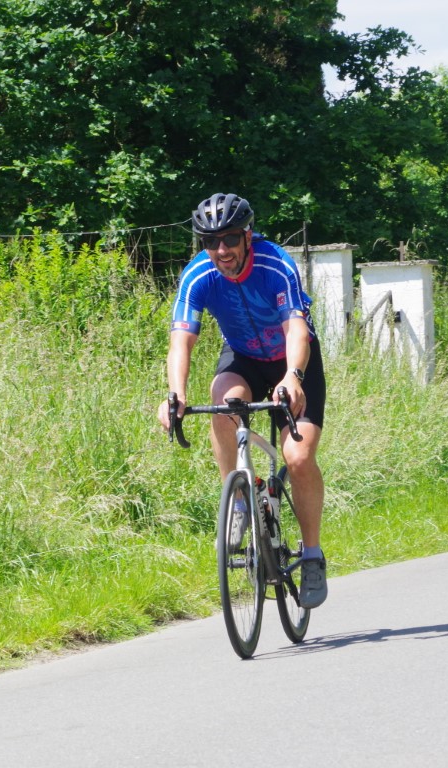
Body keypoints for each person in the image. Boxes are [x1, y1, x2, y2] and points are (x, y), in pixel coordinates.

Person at [157, 192, 328, 609]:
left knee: (298, 457)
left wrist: (293, 376)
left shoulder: (275, 264)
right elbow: (181, 340)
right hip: (243, 357)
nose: (221, 250)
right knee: (223, 402)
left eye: (230, 238)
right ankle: (237, 500)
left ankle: (311, 555)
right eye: (210, 241)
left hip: (292, 359)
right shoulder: (198, 275)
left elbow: (296, 328)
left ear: (248, 235)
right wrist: (176, 393)